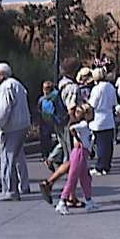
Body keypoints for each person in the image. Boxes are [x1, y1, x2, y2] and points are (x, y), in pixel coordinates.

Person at [39, 58, 82, 205]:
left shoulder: (61, 84)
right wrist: (76, 127)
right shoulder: (72, 87)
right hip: (68, 125)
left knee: (72, 160)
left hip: (59, 124)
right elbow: (71, 109)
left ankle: (71, 195)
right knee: (73, 160)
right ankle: (49, 183)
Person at [0, 63, 30, 201]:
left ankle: (10, 190)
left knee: (7, 158)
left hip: (13, 127)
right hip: (21, 125)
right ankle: (14, 188)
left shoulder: (5, 87)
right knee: (14, 157)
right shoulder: (16, 84)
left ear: (2, 75)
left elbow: (3, 109)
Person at [55, 104, 99, 215]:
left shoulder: (85, 125)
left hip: (83, 153)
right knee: (72, 178)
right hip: (79, 153)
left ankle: (89, 201)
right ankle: (62, 202)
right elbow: (72, 128)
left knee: (85, 178)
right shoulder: (83, 124)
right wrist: (78, 139)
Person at [88, 67, 117, 176]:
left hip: (98, 118)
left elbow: (92, 104)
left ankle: (100, 167)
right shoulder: (111, 87)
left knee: (100, 144)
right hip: (109, 118)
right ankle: (107, 165)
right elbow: (114, 102)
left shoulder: (96, 89)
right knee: (108, 145)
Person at [37, 81, 57, 160]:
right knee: (44, 138)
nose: (46, 90)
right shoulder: (41, 99)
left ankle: (53, 154)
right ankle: (45, 154)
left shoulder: (54, 98)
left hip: (53, 119)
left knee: (54, 138)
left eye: (48, 88)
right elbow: (39, 109)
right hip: (44, 121)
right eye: (44, 88)